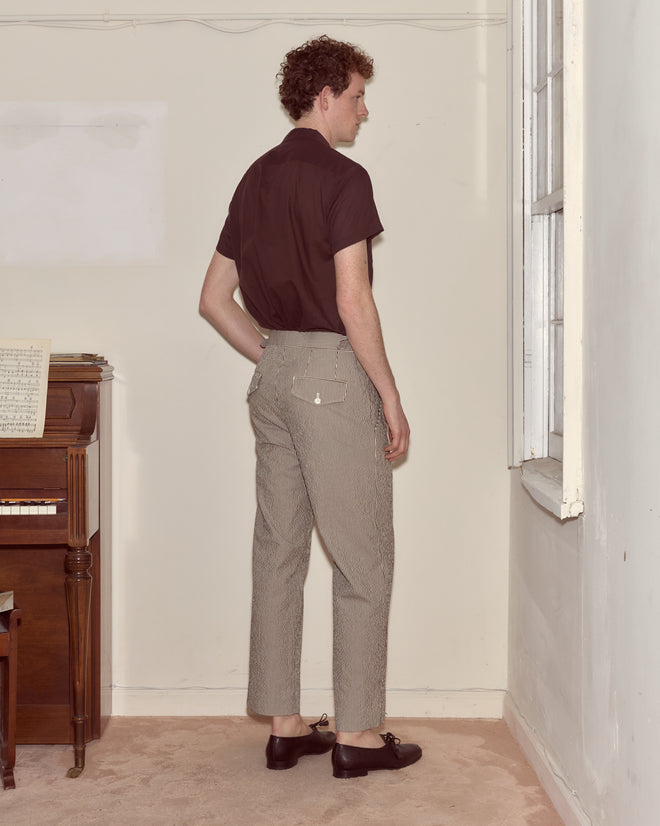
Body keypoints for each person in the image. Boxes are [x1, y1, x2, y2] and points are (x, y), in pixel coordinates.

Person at [199, 35, 421, 779]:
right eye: (357, 95)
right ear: (322, 97)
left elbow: (213, 299)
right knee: (363, 560)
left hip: (274, 381)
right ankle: (359, 737)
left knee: (279, 552)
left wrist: (275, 359)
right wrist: (388, 394)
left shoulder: (255, 178)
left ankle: (286, 725)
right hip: (330, 373)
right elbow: (353, 298)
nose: (364, 109)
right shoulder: (343, 177)